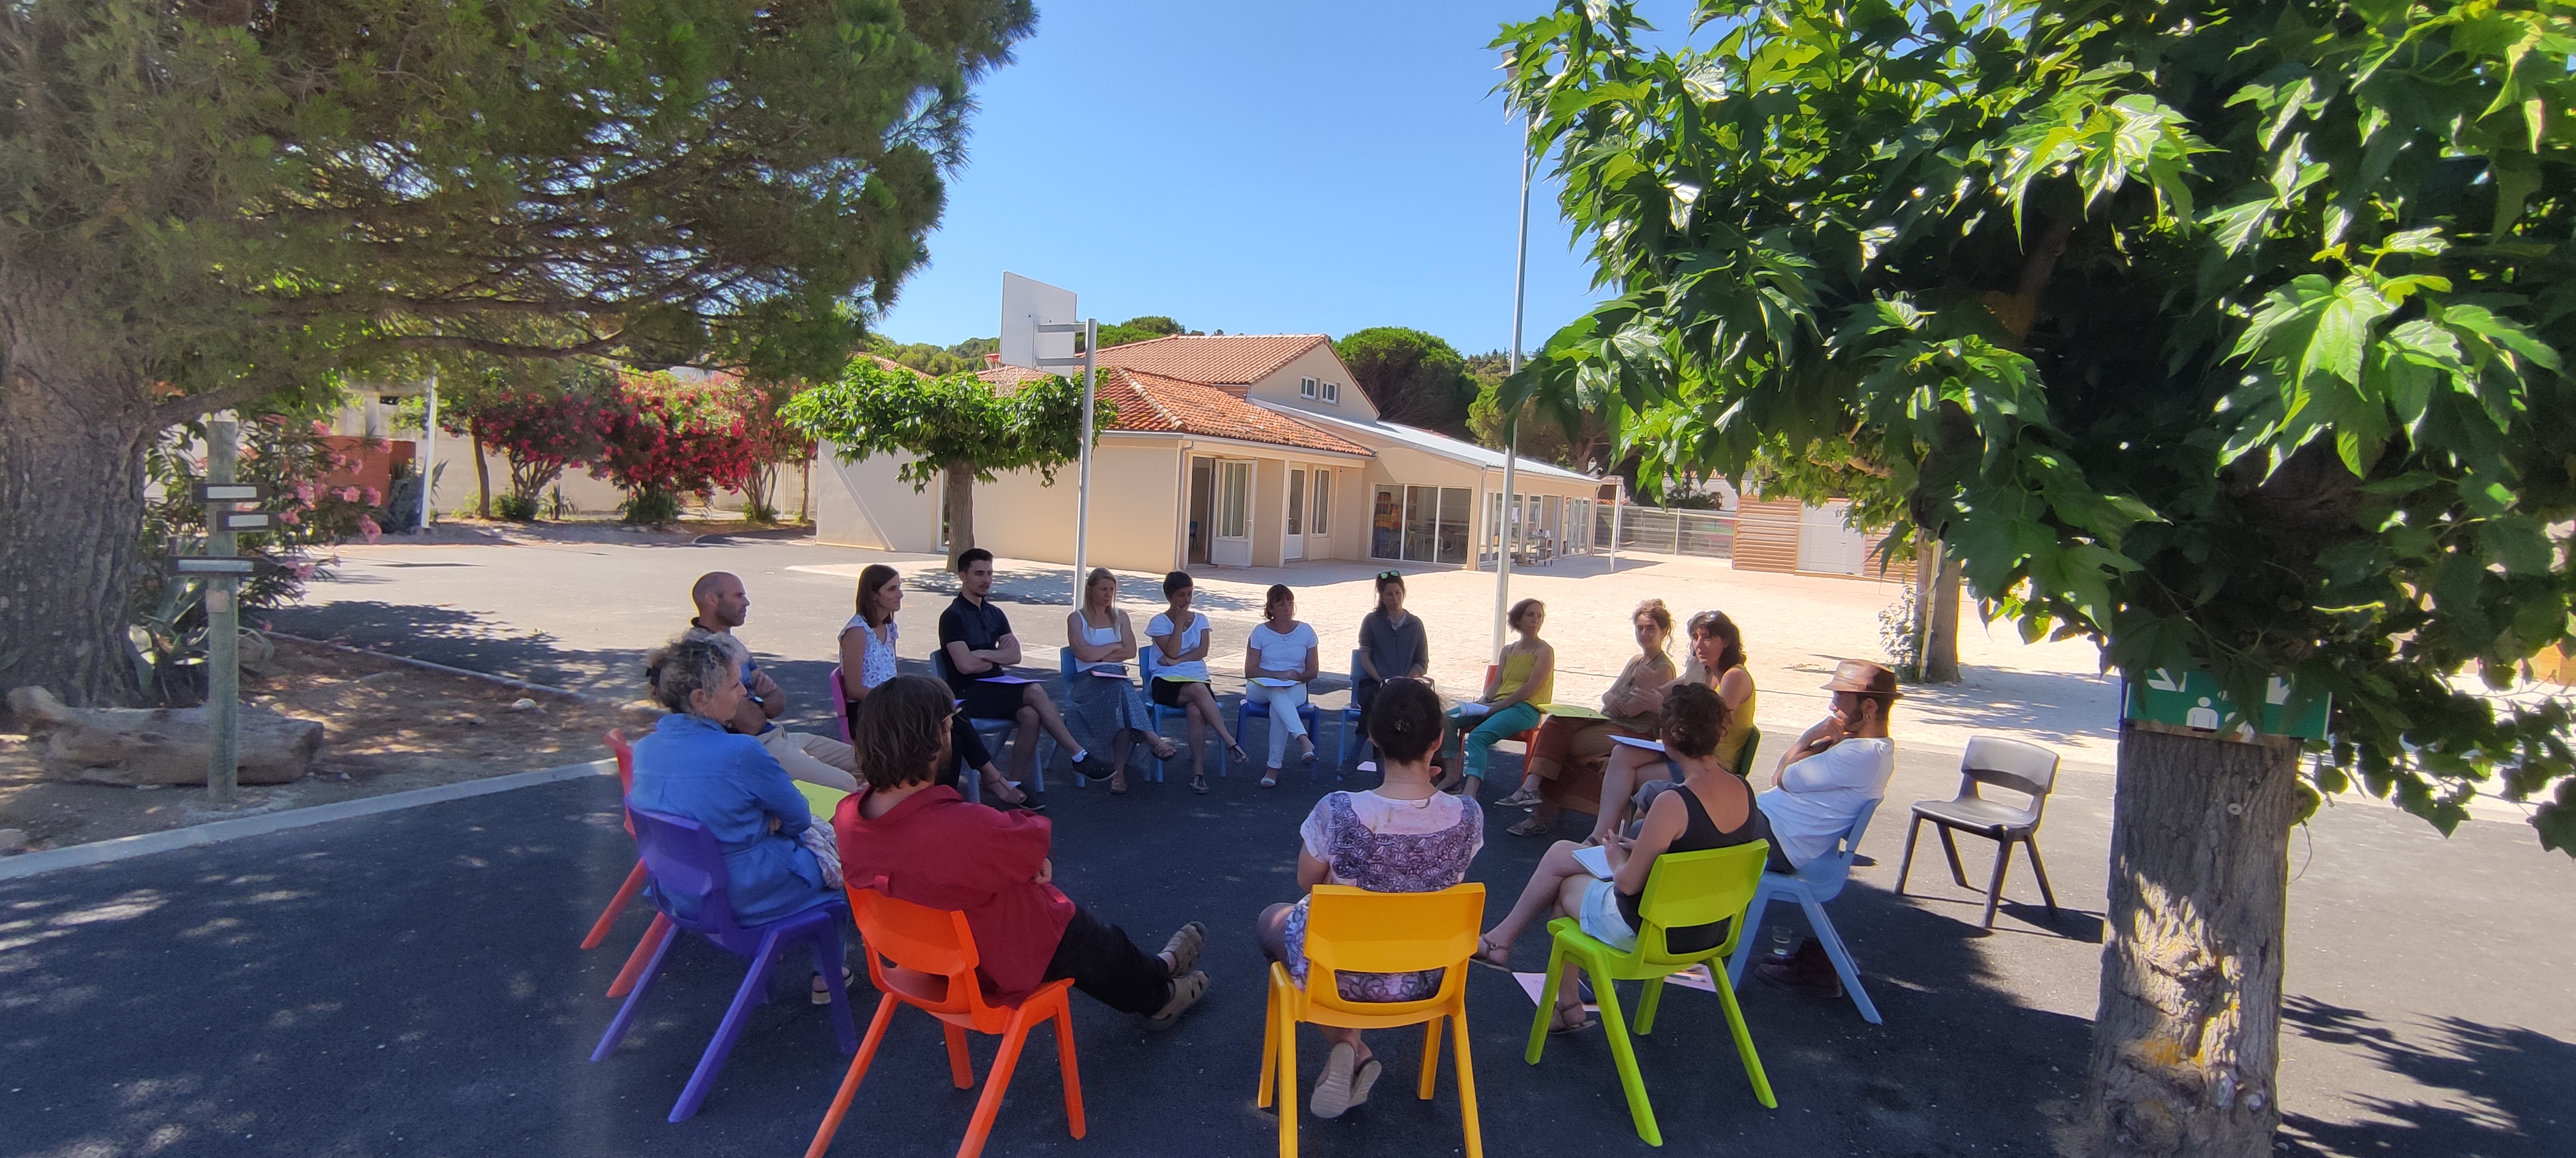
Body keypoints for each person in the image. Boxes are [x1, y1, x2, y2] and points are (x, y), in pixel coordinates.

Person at [834, 675, 1213, 1028]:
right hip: (991, 965)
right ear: (932, 742)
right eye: (949, 729)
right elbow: (1032, 837)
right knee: (1084, 935)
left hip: (922, 960)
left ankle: (1158, 971)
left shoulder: (848, 818)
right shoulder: (965, 828)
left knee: (1074, 931)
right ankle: (1158, 989)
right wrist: (1029, 862)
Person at [1470, 683, 1771, 1034]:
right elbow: (1700, 849)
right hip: (1709, 928)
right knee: (1562, 852)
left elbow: (1627, 883)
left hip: (1655, 934)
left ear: (1670, 737)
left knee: (1566, 889)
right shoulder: (1742, 789)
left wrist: (1616, 857)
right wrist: (1638, 847)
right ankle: (1528, 970)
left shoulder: (1673, 803)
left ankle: (1553, 992)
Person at [1256, 678, 1483, 1119]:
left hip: (1340, 980)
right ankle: (1354, 1054)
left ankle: (1350, 1046)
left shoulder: (1339, 810)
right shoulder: (1468, 816)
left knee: (1273, 921)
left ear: (1374, 737)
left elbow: (1307, 880)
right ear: (1437, 740)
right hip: (1428, 977)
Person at [630, 637, 842, 999]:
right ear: (701, 699)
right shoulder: (739, 751)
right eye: (734, 684)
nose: (744, 690)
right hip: (743, 893)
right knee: (836, 866)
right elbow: (799, 817)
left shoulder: (646, 748)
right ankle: (829, 976)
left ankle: (771, 978)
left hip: (678, 890)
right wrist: (765, 824)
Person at [1752, 659, 1900, 998]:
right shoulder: (1857, 747)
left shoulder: (1861, 754)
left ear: (1869, 706)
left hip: (1779, 841)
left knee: (1678, 811)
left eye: (1839, 699)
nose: (1832, 706)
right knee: (1668, 805)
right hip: (1776, 830)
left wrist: (1810, 736)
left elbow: (1781, 776)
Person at [836, 563, 1029, 806]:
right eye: (892, 589)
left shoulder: (888, 626)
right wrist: (899, 699)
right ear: (874, 594)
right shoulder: (857, 632)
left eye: (900, 587)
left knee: (951, 723)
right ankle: (991, 779)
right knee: (947, 718)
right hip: (869, 712)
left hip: (891, 705)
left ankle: (946, 799)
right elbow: (853, 689)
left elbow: (890, 673)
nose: (901, 595)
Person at [1497, 600, 1677, 837]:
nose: (1644, 634)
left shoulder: (1663, 668)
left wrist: (1614, 700)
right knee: (1555, 722)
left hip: (1632, 731)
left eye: (1650, 628)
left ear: (1664, 631)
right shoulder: (1636, 660)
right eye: (1640, 628)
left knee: (1567, 747)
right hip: (1611, 721)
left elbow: (1632, 710)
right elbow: (1609, 694)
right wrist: (1611, 698)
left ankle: (1542, 810)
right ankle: (1532, 788)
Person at [937, 548, 1114, 788]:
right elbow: (966, 666)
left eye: (990, 573)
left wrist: (984, 654)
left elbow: (1015, 655)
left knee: (1030, 715)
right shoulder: (952, 616)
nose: (987, 579)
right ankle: (1078, 755)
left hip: (995, 686)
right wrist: (998, 656)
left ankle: (1014, 784)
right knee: (1035, 691)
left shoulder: (995, 613)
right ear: (963, 577)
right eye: (979, 573)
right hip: (965, 695)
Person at [1581, 609, 1758, 845]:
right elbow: (1662, 693)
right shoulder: (1703, 671)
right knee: (1622, 754)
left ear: (1725, 641)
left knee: (1628, 778)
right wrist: (1645, 691)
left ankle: (1623, 844)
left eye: (1707, 638)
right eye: (1695, 638)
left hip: (1712, 762)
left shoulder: (1734, 676)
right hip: (1689, 752)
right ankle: (1602, 835)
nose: (1699, 645)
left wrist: (1662, 704)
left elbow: (1711, 724)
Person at [684, 571, 859, 794]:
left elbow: (778, 702)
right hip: (758, 746)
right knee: (846, 785)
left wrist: (754, 704)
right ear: (711, 600)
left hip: (779, 735)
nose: (746, 602)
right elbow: (750, 724)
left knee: (874, 762)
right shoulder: (701, 653)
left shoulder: (731, 642)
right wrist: (761, 702)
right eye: (738, 596)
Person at [1063, 567, 1181, 793]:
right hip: (1087, 683)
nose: (1108, 594)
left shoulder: (1121, 616)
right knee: (1122, 691)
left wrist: (1097, 652)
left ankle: (1118, 776)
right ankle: (1152, 738)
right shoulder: (1076, 618)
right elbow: (1083, 655)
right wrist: (1115, 646)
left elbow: (1131, 650)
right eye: (1103, 589)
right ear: (1090, 590)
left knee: (1121, 701)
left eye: (1111, 589)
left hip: (1115, 679)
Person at [1440, 599, 1554, 801]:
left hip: (1525, 708)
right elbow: (1497, 683)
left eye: (1539, 616)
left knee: (1478, 737)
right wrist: (1482, 703)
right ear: (1518, 619)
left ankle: (1471, 792)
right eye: (1530, 615)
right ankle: (1451, 776)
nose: (1536, 619)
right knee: (1447, 719)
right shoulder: (1508, 650)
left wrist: (1498, 706)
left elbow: (1530, 688)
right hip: (1497, 705)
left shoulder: (1544, 651)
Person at [1147, 570, 1248, 793]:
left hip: (1196, 679)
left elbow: (1202, 651)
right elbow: (1171, 649)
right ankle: (1229, 740)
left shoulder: (1201, 619)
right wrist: (1179, 624)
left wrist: (1177, 660)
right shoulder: (1159, 622)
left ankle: (1199, 773)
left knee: (1196, 711)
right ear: (1170, 597)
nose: (1187, 600)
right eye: (1182, 595)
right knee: (1197, 690)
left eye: (1190, 594)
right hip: (1166, 681)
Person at [1244, 583, 1322, 786]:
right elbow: (1250, 670)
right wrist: (1278, 674)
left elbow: (1313, 671)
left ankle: (1273, 769)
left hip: (1294, 687)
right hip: (1260, 687)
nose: (1287, 608)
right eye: (1281, 604)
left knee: (1279, 705)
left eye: (1290, 603)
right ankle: (1303, 740)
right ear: (1270, 608)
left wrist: (1297, 677)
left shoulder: (1306, 631)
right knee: (1276, 692)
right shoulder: (1260, 632)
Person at [1352, 571, 1429, 758]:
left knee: (1421, 706)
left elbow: (1422, 662)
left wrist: (1406, 679)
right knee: (1378, 701)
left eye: (1398, 593)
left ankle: (1361, 754)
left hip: (1405, 684)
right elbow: (1365, 658)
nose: (1395, 599)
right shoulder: (1372, 622)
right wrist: (1382, 680)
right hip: (1375, 682)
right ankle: (1371, 758)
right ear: (1381, 596)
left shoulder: (1415, 624)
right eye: (1389, 594)